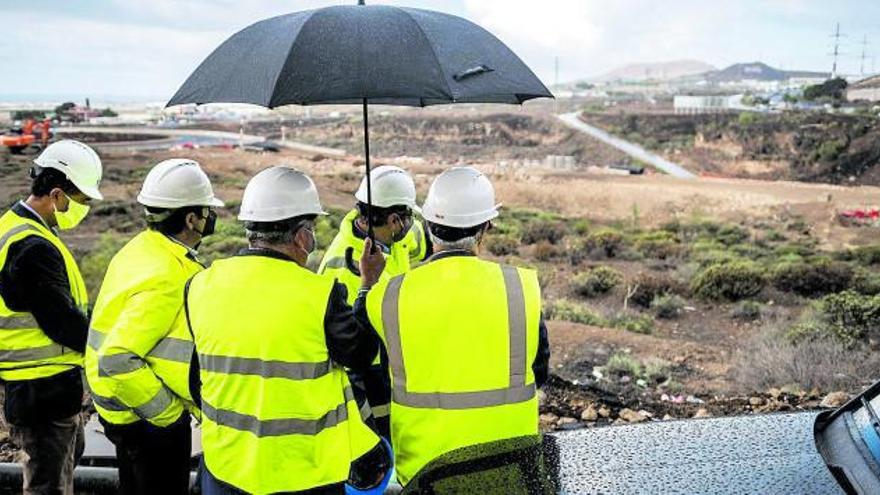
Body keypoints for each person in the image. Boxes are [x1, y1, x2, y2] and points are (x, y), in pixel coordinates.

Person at [186, 166, 390, 495]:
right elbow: (362, 355)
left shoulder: (200, 285)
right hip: (306, 474)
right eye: (311, 228)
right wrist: (367, 285)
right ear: (300, 236)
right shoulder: (320, 294)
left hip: (224, 468)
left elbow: (197, 382)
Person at [365, 166, 551, 485]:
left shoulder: (387, 296)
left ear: (428, 224)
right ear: (486, 227)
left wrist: (368, 284)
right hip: (512, 470)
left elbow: (369, 370)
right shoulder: (521, 287)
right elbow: (540, 370)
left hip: (425, 477)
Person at [86, 159, 224, 495]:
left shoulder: (140, 248)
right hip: (146, 420)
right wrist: (169, 415)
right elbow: (117, 358)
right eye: (206, 210)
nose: (210, 216)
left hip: (120, 409)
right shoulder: (169, 274)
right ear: (191, 218)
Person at [0, 140, 104, 495]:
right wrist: (104, 339)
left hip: (34, 389)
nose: (84, 208)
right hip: (42, 389)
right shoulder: (33, 247)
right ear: (57, 195)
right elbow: (61, 322)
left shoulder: (17, 227)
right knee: (49, 486)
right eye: (82, 200)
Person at [319, 165, 427, 439]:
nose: (410, 224)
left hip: (393, 366)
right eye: (406, 217)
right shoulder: (342, 268)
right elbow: (349, 346)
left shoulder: (393, 237)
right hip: (371, 373)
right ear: (393, 220)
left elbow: (421, 241)